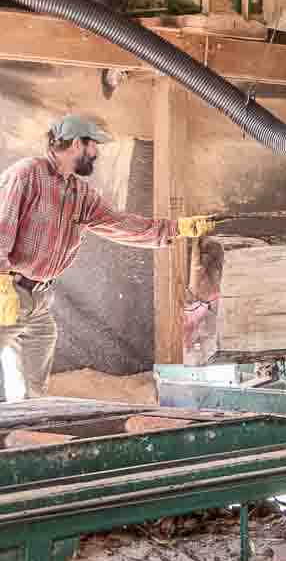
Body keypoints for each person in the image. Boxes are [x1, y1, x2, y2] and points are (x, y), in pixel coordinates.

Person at [0, 115, 214, 400]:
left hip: (37, 299)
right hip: (7, 291)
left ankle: (24, 434)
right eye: (94, 146)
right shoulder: (27, 174)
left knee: (32, 387)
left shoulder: (79, 193)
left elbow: (120, 224)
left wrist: (177, 229)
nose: (97, 153)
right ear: (77, 144)